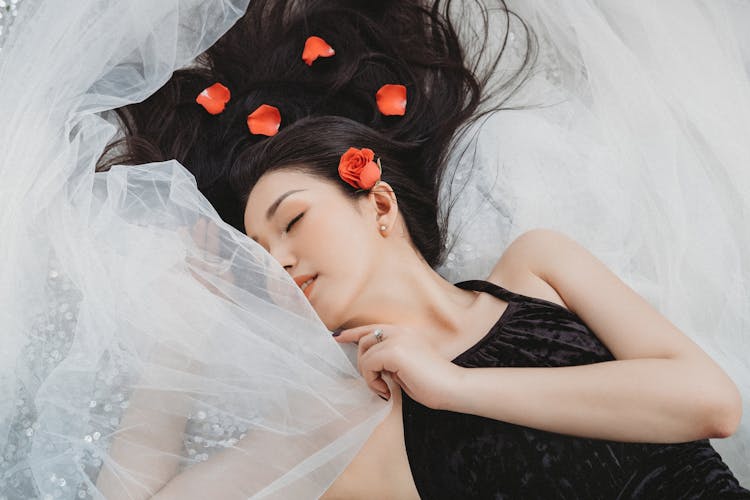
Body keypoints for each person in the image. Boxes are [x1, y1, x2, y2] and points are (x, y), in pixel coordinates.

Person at [2, 0, 749, 498]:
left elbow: (710, 404)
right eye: (259, 253)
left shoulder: (539, 264)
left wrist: (454, 386)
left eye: (291, 221)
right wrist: (181, 342)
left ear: (378, 199)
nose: (280, 260)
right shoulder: (339, 420)